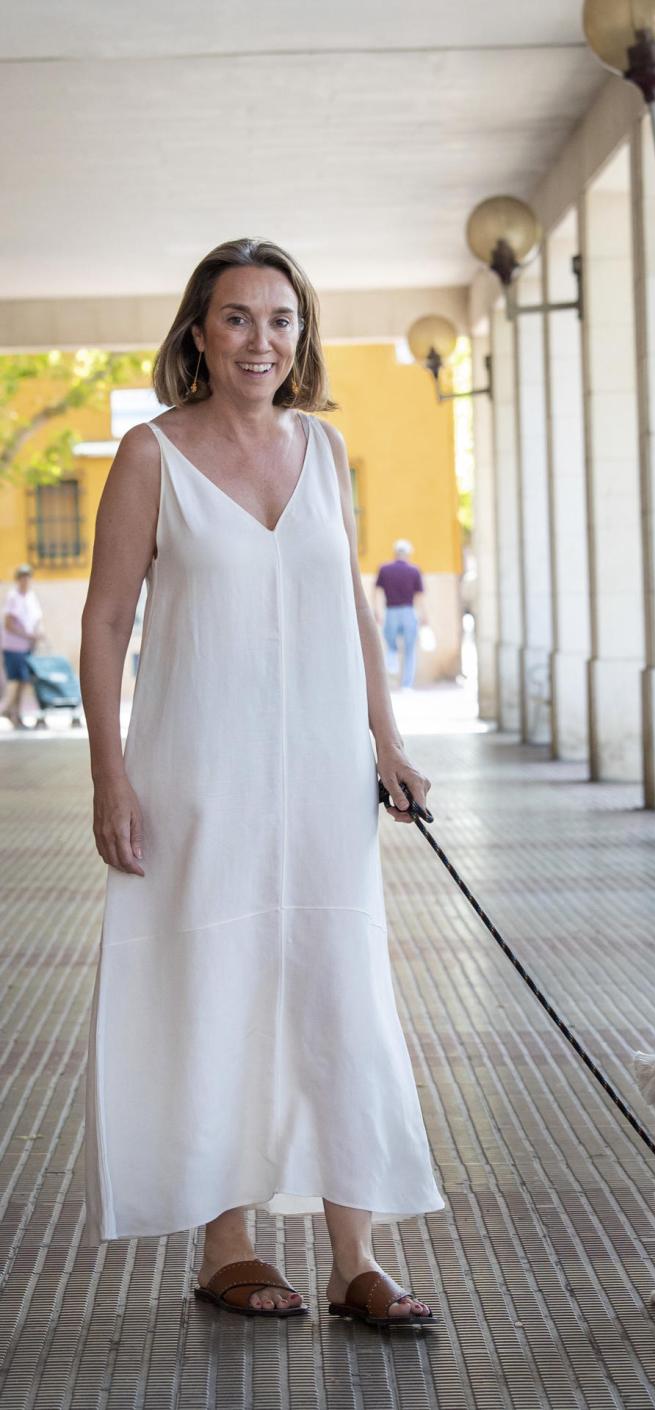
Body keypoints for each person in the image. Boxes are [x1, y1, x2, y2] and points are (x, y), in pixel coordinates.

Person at [80, 238, 443, 1326]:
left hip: (324, 778)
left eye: (279, 319)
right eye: (237, 318)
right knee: (219, 990)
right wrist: (109, 775)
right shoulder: (152, 454)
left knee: (340, 993)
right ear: (197, 331)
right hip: (198, 773)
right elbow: (103, 624)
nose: (260, 341)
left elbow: (347, 617)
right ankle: (225, 1243)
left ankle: (357, 1258)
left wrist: (385, 740)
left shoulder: (324, 452)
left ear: (302, 333)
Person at [374, 539, 428, 690]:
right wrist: (424, 615)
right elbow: (420, 596)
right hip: (408, 611)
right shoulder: (414, 571)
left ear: (395, 553)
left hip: (391, 611)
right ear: (408, 554)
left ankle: (392, 659)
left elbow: (377, 592)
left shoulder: (384, 569)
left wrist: (377, 611)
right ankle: (406, 685)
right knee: (410, 650)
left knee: (390, 642)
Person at [1, 564, 43, 729]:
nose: (25, 580)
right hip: (13, 646)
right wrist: (28, 635)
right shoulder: (13, 597)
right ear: (18, 579)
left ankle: (14, 713)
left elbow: (37, 619)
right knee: (16, 680)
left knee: (24, 680)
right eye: (22, 577)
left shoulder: (31, 596)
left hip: (27, 647)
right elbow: (9, 624)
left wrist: (39, 633)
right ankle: (9, 711)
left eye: (27, 577)